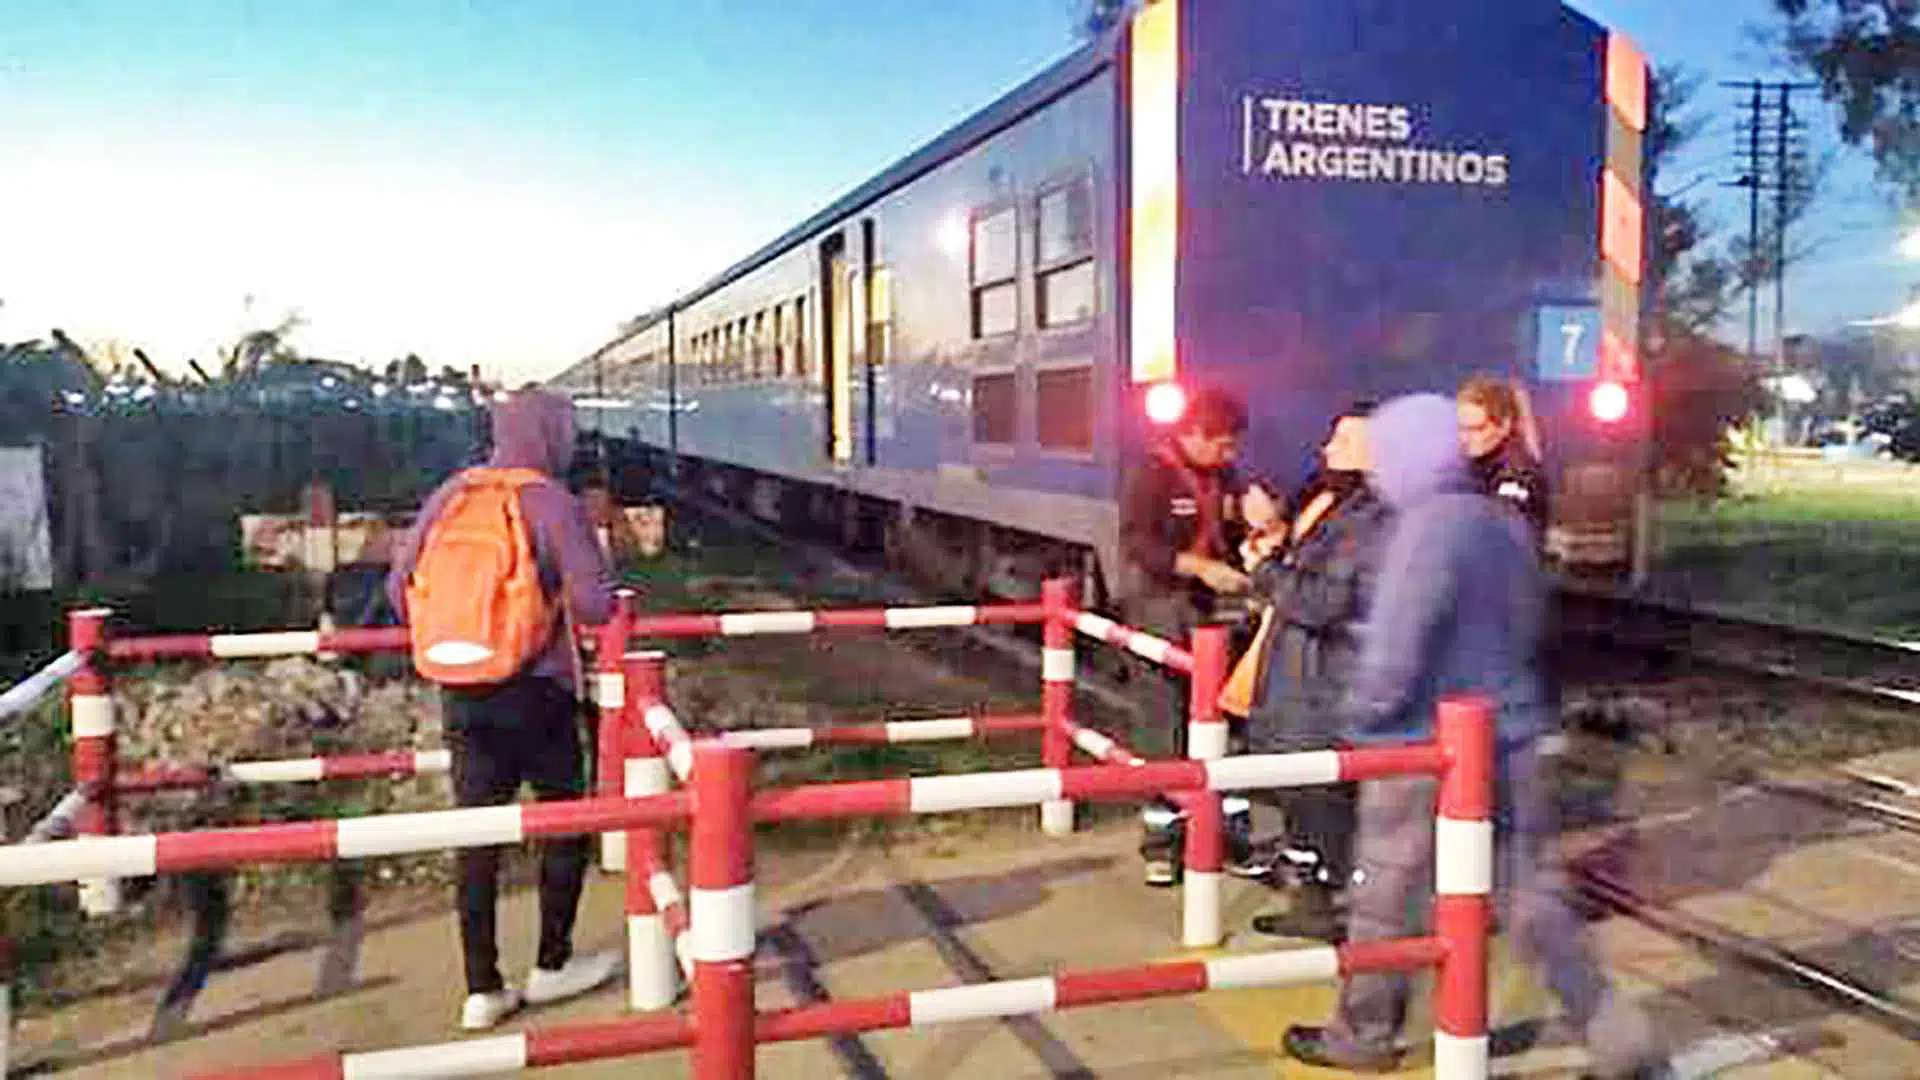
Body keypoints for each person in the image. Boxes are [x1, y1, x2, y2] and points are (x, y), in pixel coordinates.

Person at [1280, 394, 1661, 1078]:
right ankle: (1622, 1043)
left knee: (1385, 897)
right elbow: (1526, 625)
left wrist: (1362, 720)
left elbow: (1397, 647)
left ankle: (1362, 1034)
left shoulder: (1423, 530)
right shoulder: (1499, 522)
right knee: (1532, 899)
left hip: (1426, 747)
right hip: (1510, 736)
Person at [387, 389, 622, 1031]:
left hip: (461, 692)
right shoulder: (550, 501)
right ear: (551, 435)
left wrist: (463, 629)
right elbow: (597, 604)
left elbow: (398, 591)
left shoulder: (452, 494)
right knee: (564, 820)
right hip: (537, 690)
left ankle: (482, 987)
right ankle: (551, 966)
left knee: (478, 836)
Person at [1238, 403, 1390, 941]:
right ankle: (1316, 898)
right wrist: (1275, 539)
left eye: (1343, 442)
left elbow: (1325, 601)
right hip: (1311, 681)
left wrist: (1265, 572)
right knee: (1308, 796)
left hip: (1329, 684)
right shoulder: (1343, 507)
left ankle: (1336, 907)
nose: (1327, 450)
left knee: (1323, 799)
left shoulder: (1373, 519)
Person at [1118, 386, 1259, 886]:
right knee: (1164, 727)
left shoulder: (1223, 477)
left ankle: (1229, 833)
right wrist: (1196, 566)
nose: (1230, 455)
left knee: (1224, 728)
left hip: (1210, 614)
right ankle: (1163, 841)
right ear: (1194, 434)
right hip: (1160, 606)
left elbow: (1234, 529)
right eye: (1222, 445)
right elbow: (1136, 542)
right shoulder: (1151, 475)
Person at [1457, 374, 1549, 539]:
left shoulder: (1517, 476)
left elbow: (1501, 536)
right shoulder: (1467, 469)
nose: (1465, 439)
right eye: (1461, 429)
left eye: (1476, 429)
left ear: (1504, 426)